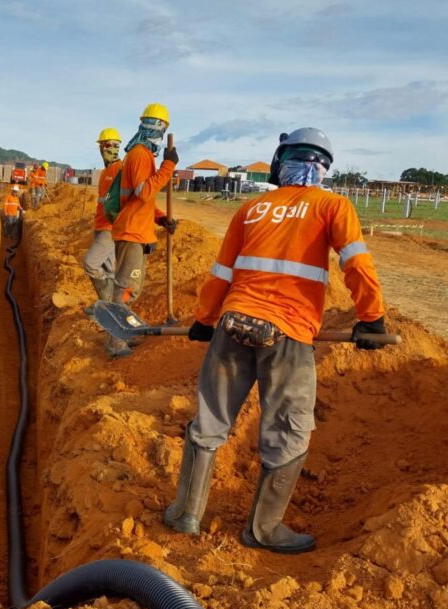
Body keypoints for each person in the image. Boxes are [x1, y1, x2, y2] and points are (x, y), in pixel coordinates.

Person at [162, 127, 387, 554]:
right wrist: (372, 319)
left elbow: (222, 274)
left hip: (232, 324)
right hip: (288, 332)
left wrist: (204, 320)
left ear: (281, 161)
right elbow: (355, 264)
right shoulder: (333, 206)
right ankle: (263, 530)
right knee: (288, 430)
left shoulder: (252, 208)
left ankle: (185, 514)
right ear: (323, 168)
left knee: (209, 421)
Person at [106, 103, 178, 358]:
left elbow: (143, 202)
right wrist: (167, 167)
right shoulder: (139, 154)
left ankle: (123, 332)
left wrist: (162, 219)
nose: (160, 130)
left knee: (131, 288)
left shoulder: (145, 154)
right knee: (125, 288)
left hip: (138, 231)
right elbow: (144, 191)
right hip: (130, 233)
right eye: (160, 125)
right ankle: (115, 343)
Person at [82, 128, 123, 315]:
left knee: (91, 263)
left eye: (114, 146)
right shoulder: (106, 171)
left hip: (110, 228)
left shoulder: (119, 170)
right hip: (100, 226)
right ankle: (109, 307)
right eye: (106, 146)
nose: (110, 149)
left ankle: (108, 303)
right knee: (108, 270)